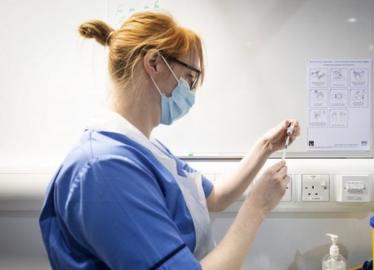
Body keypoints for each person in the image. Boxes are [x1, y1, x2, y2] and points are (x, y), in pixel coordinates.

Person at [39, 11, 300, 270]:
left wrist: (266, 146)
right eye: (189, 78)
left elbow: (214, 198)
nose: (191, 92)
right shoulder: (104, 169)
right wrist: (257, 207)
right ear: (154, 63)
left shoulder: (142, 148)